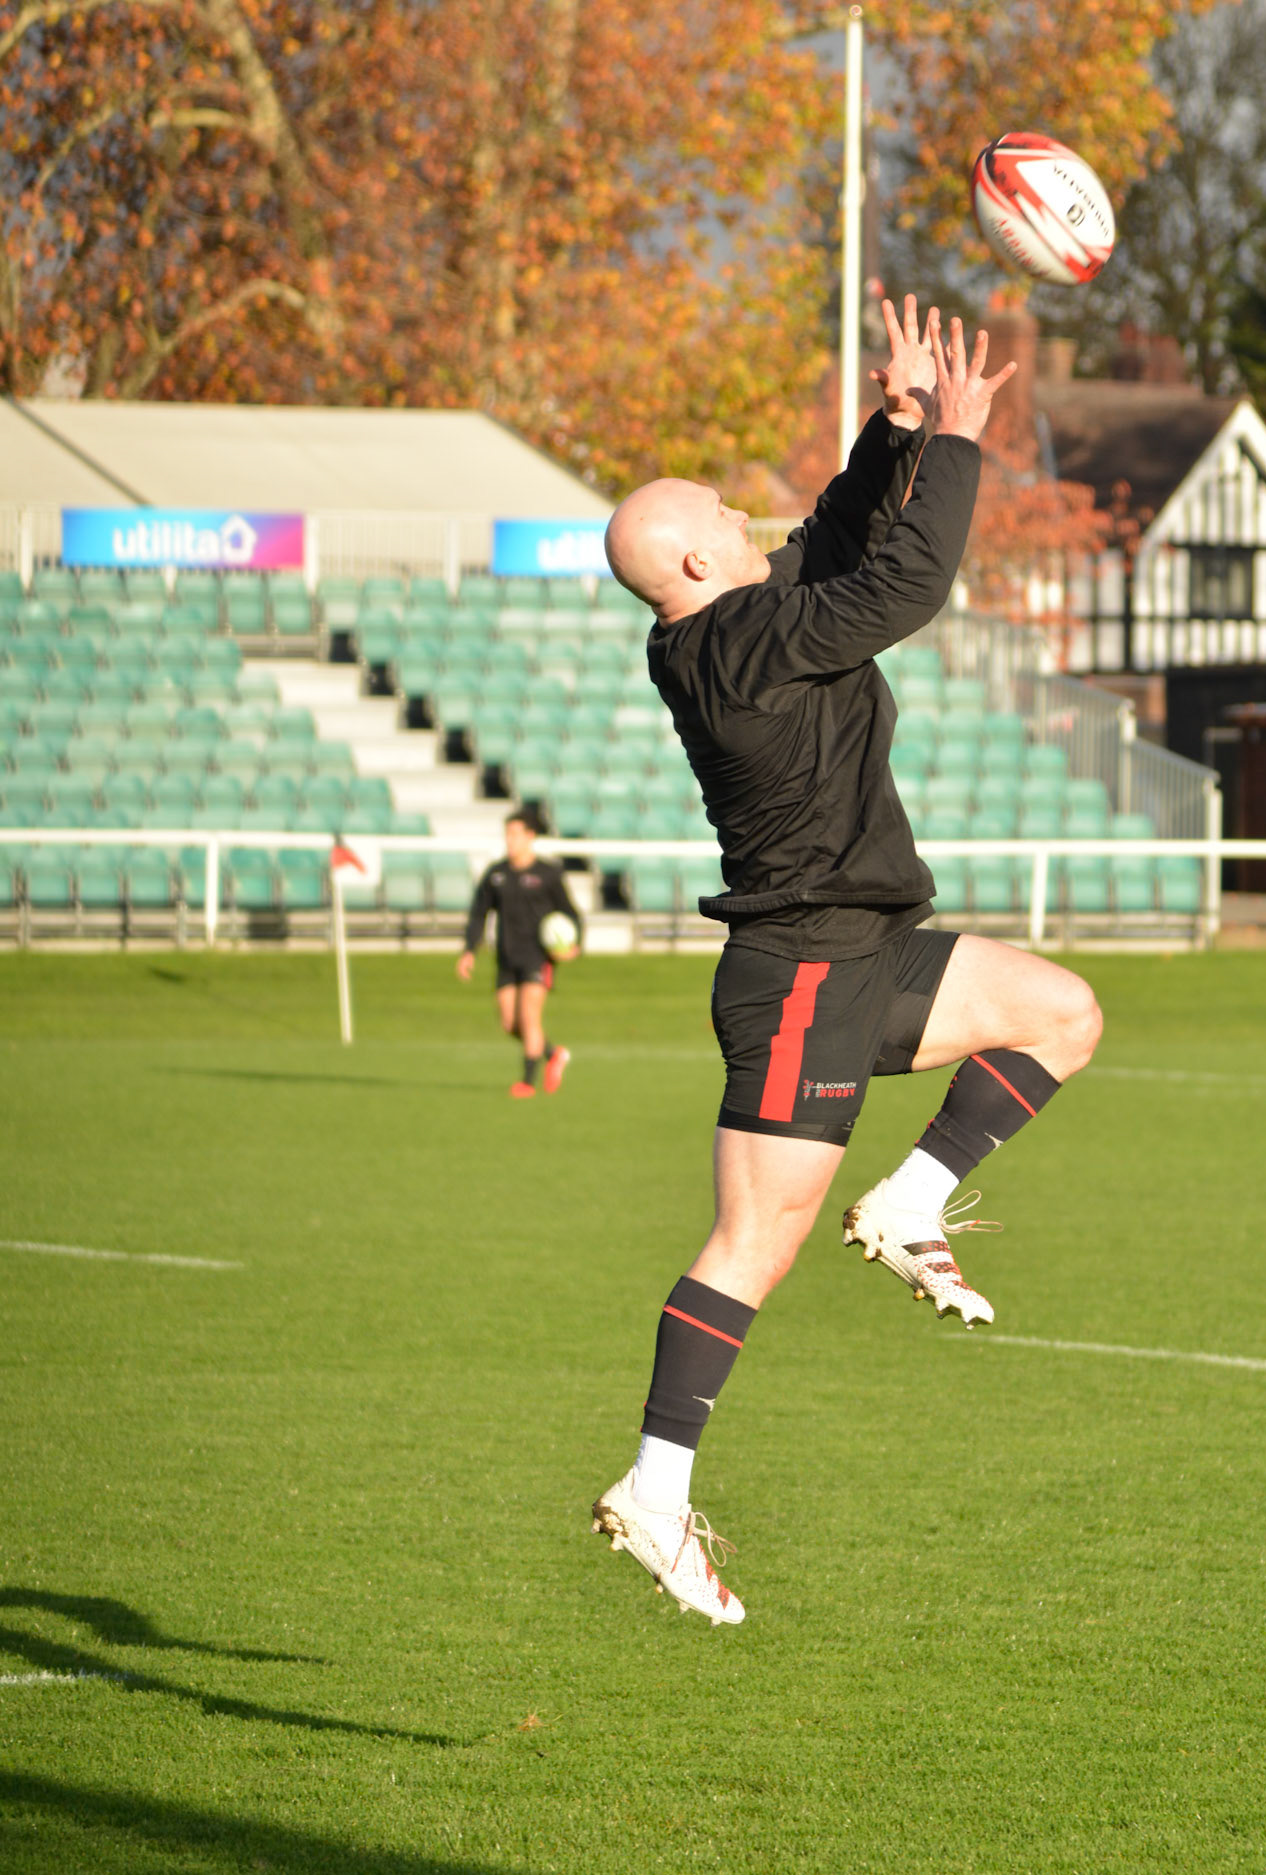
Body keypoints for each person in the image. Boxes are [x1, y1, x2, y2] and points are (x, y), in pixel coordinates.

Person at [591, 297, 1103, 1626]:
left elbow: (831, 536)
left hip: (863, 946)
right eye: (712, 505)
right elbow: (903, 585)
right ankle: (654, 1488)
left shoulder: (735, 615)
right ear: (691, 564)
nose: (734, 505)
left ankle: (912, 1203)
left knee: (1060, 1014)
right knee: (751, 1242)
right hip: (802, 975)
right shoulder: (736, 643)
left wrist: (897, 427)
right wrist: (966, 444)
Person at [458, 807, 583, 1098]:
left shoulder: (548, 873)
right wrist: (468, 951)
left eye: (515, 834)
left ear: (530, 836)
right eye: (507, 834)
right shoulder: (497, 874)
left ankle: (527, 1082)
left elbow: (571, 914)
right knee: (509, 1024)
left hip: (538, 957)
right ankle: (553, 1054)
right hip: (506, 956)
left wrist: (573, 947)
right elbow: (479, 913)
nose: (509, 839)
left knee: (529, 1017)